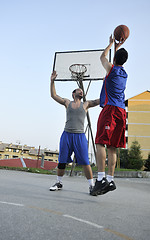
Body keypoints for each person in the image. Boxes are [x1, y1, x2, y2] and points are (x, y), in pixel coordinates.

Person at [49, 71, 100, 194]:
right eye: (78, 90)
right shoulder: (67, 102)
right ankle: (59, 183)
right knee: (62, 161)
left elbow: (98, 101)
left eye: (82, 90)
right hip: (66, 135)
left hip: (80, 136)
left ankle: (91, 186)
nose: (81, 91)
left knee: (85, 162)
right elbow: (54, 95)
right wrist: (52, 81)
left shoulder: (86, 104)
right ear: (73, 94)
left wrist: (108, 85)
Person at [90, 35, 128, 196]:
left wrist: (111, 43)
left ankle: (100, 179)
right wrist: (118, 47)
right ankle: (110, 179)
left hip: (110, 110)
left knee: (100, 142)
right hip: (121, 112)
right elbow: (115, 60)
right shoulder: (124, 73)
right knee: (112, 147)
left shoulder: (111, 70)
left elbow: (102, 57)